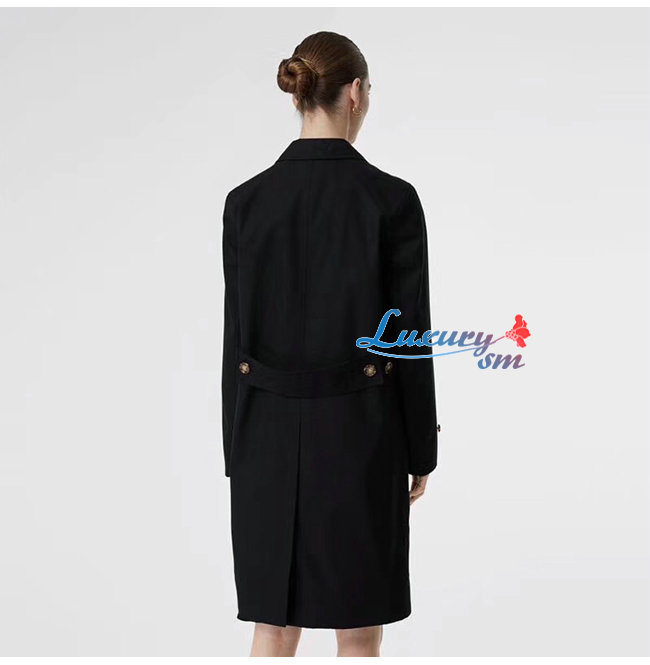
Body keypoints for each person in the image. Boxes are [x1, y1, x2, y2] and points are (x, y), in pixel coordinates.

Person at [221, 30, 440, 657]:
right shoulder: (392, 201)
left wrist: (238, 449)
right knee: (359, 630)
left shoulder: (245, 203)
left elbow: (236, 336)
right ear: (356, 93)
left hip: (263, 438)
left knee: (273, 626)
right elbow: (408, 338)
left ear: (300, 94)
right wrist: (421, 448)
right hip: (362, 437)